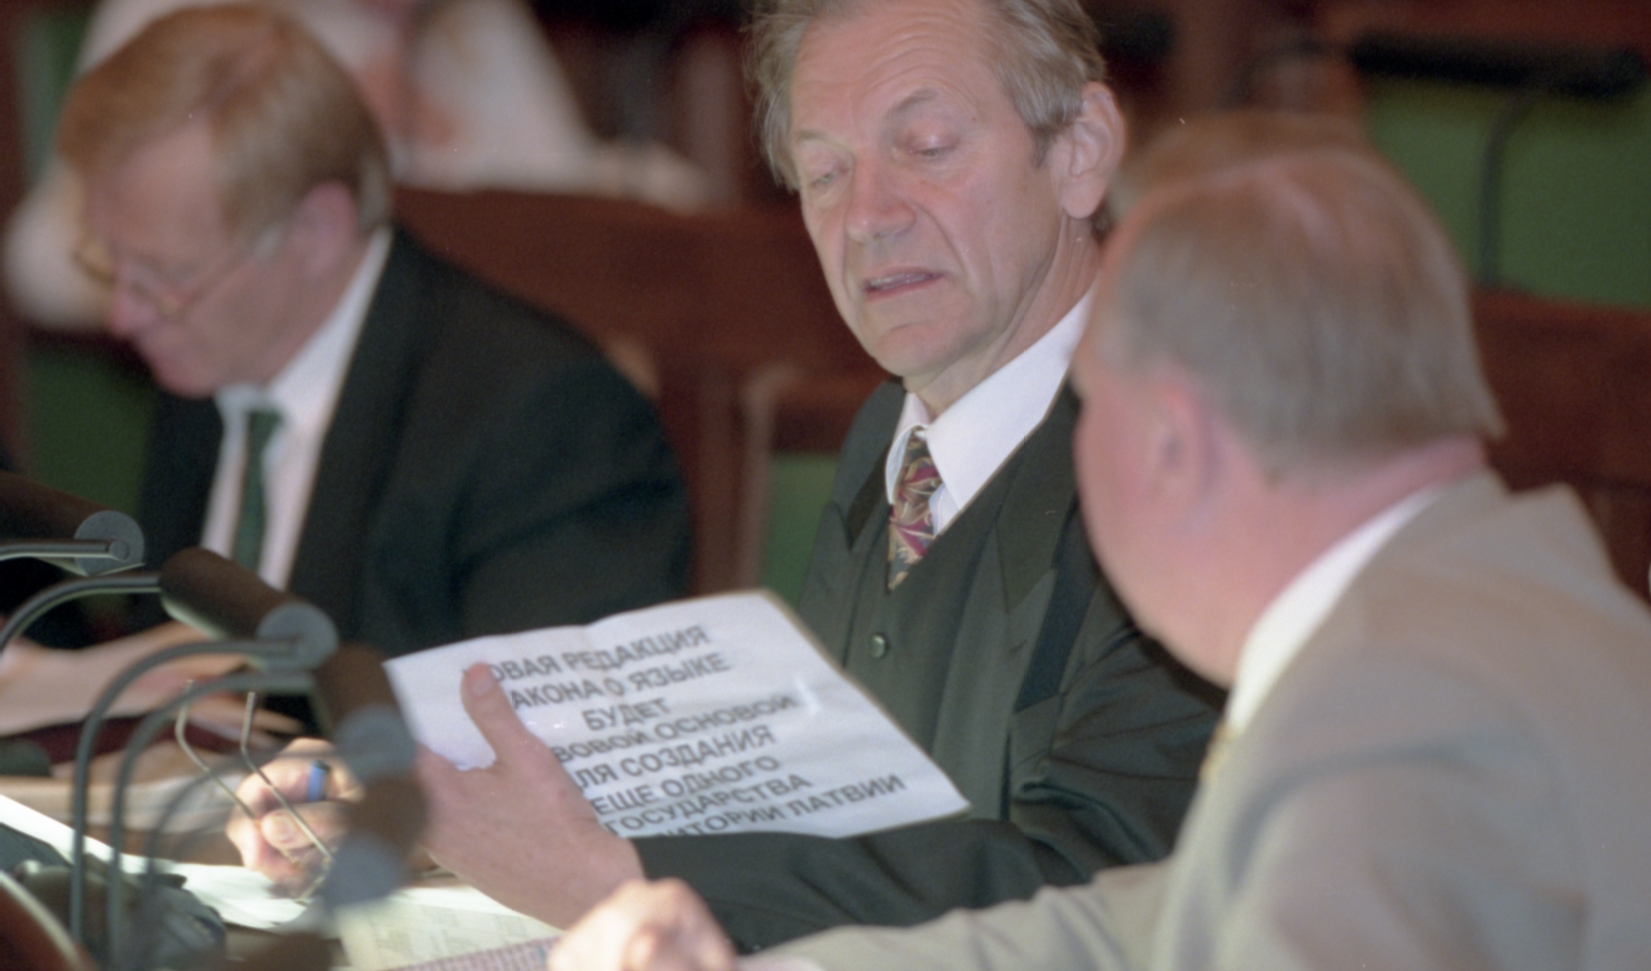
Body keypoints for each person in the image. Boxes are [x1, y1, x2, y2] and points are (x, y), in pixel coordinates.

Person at [547, 112, 1651, 971]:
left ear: (1170, 440)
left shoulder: (1392, 719)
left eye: (1085, 407)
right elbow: (1140, 928)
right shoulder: (1511, 593)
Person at [227, 0, 1220, 949]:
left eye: (926, 147)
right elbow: (838, 808)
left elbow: (1105, 887)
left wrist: (623, 876)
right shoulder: (893, 436)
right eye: (823, 172)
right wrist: (437, 797)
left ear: (1081, 151)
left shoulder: (1199, 460)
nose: (867, 216)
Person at [54, 6, 690, 659]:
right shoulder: (206, 351)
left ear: (316, 232)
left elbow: (531, 719)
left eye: (165, 275)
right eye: (110, 262)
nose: (124, 316)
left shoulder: (545, 425)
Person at [6, 0, 707, 328]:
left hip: (477, 375)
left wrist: (663, 192)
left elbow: (562, 191)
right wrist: (178, 278)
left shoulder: (475, 20)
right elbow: (40, 260)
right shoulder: (196, 17)